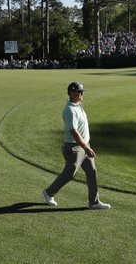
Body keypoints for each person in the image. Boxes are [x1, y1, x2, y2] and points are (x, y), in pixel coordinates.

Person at [42, 82, 111, 210]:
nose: (82, 94)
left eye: (82, 92)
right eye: (79, 92)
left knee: (92, 172)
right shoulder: (69, 110)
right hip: (74, 148)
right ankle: (49, 192)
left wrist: (86, 146)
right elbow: (74, 132)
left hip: (84, 146)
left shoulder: (78, 106)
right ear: (72, 93)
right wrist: (86, 148)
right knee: (69, 174)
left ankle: (94, 202)